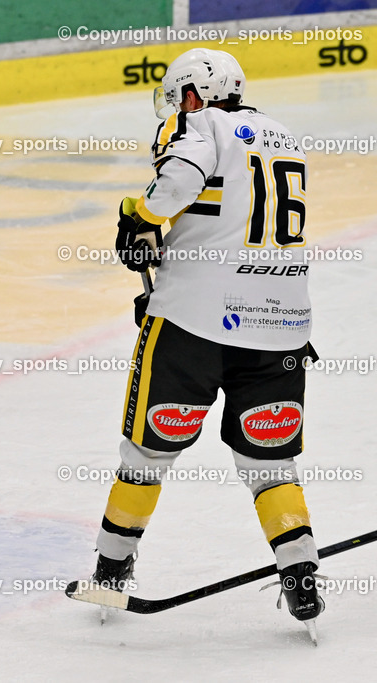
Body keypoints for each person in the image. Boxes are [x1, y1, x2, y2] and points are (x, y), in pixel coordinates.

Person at [97, 48, 323, 625]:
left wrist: (139, 218)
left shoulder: (200, 124)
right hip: (281, 328)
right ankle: (299, 573)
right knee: (271, 464)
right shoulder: (284, 136)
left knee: (149, 451)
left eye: (179, 98)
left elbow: (178, 181)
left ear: (195, 95)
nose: (177, 108)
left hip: (192, 326)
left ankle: (110, 569)